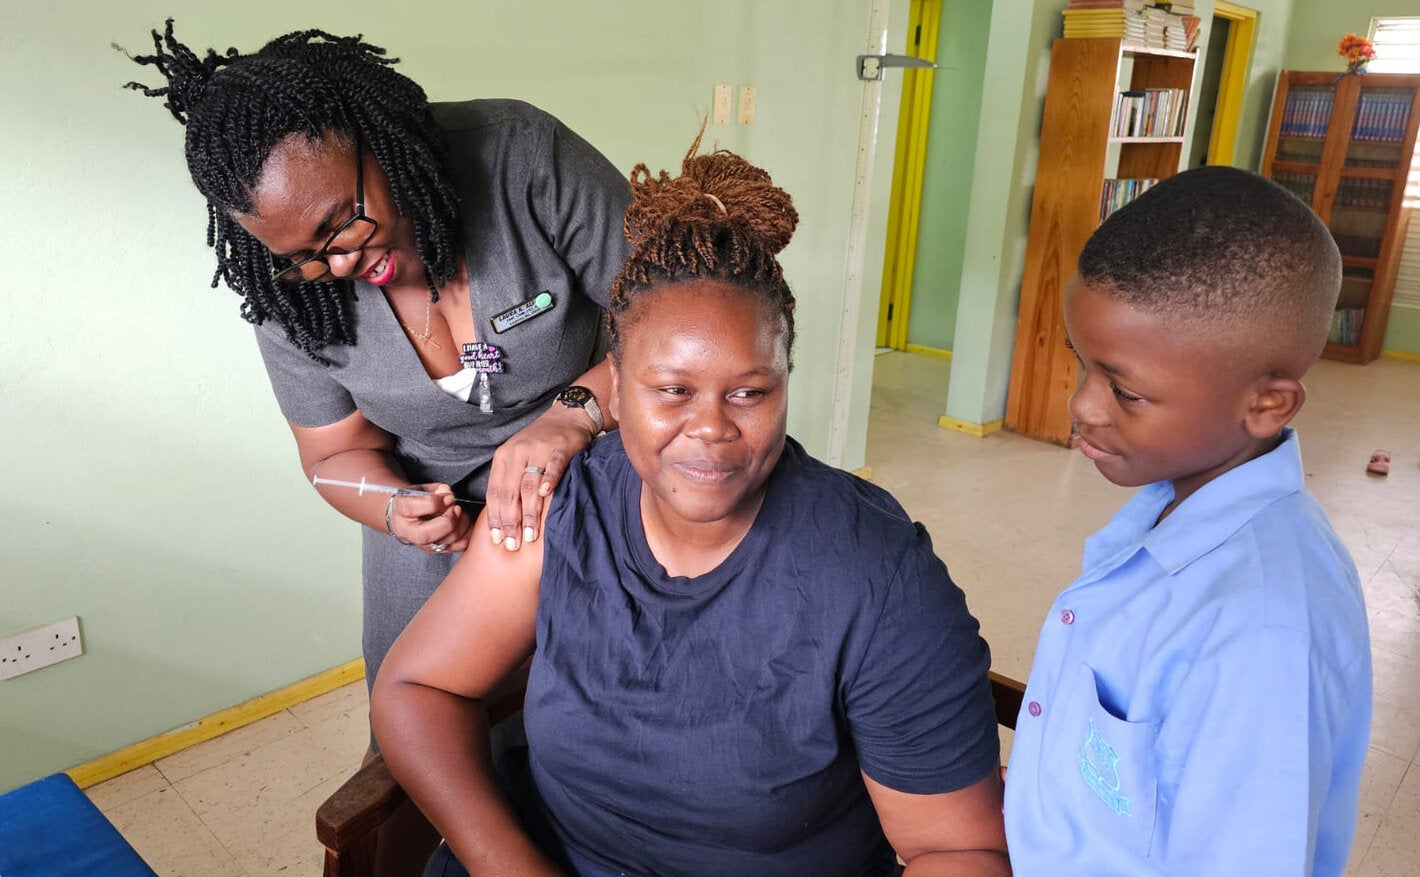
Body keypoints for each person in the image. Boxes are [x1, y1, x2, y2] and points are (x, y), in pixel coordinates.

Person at [371, 137, 1010, 876]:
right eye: (672, 390)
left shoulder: (877, 576)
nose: (711, 428)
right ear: (616, 386)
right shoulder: (560, 507)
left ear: (785, 381)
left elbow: (958, 849)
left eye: (750, 392)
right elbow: (417, 687)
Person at [123, 21, 631, 697]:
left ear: (379, 141)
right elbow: (332, 455)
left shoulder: (522, 158)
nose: (339, 263)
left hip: (600, 451)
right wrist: (394, 507)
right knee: (409, 711)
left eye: (341, 222)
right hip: (436, 512)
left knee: (600, 695)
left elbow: (676, 328)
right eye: (305, 255)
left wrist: (573, 414)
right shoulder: (290, 293)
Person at [1004, 166, 1372, 875]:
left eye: (1128, 392)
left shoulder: (1262, 630)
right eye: (1083, 364)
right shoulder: (1173, 501)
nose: (1082, 405)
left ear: (1266, 405)